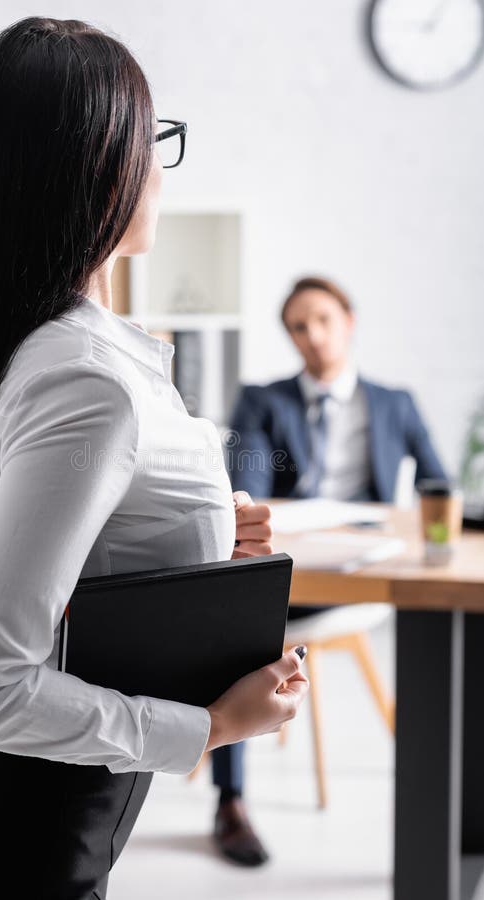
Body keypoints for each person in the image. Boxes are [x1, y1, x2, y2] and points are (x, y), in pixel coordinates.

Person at [0, 17, 310, 900]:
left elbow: (70, 552)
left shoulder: (46, 353)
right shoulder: (88, 382)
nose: (160, 165)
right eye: (150, 137)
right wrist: (209, 729)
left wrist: (195, 535)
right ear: (94, 163)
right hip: (5, 835)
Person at [211, 274, 447, 866]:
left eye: (323, 319)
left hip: (357, 575)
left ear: (349, 319)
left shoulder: (395, 404)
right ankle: (231, 801)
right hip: (286, 576)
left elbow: (438, 489)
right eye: (298, 325)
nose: (312, 335)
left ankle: (441, 806)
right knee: (239, 619)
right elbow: (251, 491)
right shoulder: (263, 401)